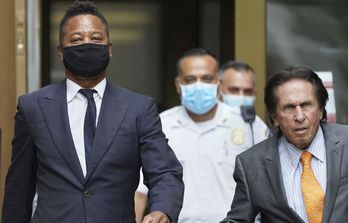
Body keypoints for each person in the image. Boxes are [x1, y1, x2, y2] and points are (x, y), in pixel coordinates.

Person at [1, 1, 184, 223]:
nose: (87, 44)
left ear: (109, 49)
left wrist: (162, 210)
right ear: (61, 51)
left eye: (96, 39)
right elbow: (19, 187)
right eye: (77, 39)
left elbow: (164, 172)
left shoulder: (138, 108)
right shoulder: (33, 107)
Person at [135, 48, 269, 222]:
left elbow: (269, 184)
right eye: (190, 79)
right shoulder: (160, 125)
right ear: (178, 85)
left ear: (219, 83)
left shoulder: (248, 124)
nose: (199, 85)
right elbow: (139, 193)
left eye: (206, 79)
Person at [221, 67, 348, 222]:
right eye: (289, 108)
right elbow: (238, 219)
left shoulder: (345, 143)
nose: (299, 116)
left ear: (320, 110)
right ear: (274, 118)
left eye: (306, 105)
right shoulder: (252, 164)